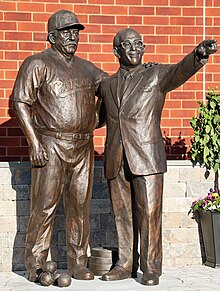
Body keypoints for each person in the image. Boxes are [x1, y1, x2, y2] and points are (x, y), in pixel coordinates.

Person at [98, 28, 217, 286]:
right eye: (127, 44)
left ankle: (151, 267)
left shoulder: (156, 74)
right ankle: (125, 264)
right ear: (116, 50)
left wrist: (197, 54)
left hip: (147, 156)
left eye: (138, 44)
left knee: (150, 215)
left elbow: (179, 71)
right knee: (122, 216)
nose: (134, 49)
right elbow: (96, 119)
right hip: (116, 157)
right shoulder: (107, 85)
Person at [11, 9, 108, 282]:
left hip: (83, 147)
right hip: (50, 143)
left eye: (75, 32)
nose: (72, 36)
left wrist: (135, 73)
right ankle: (36, 265)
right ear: (51, 36)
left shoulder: (88, 68)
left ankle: (78, 263)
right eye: (66, 32)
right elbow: (20, 102)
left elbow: (113, 89)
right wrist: (34, 141)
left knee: (80, 208)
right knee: (44, 207)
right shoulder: (37, 63)